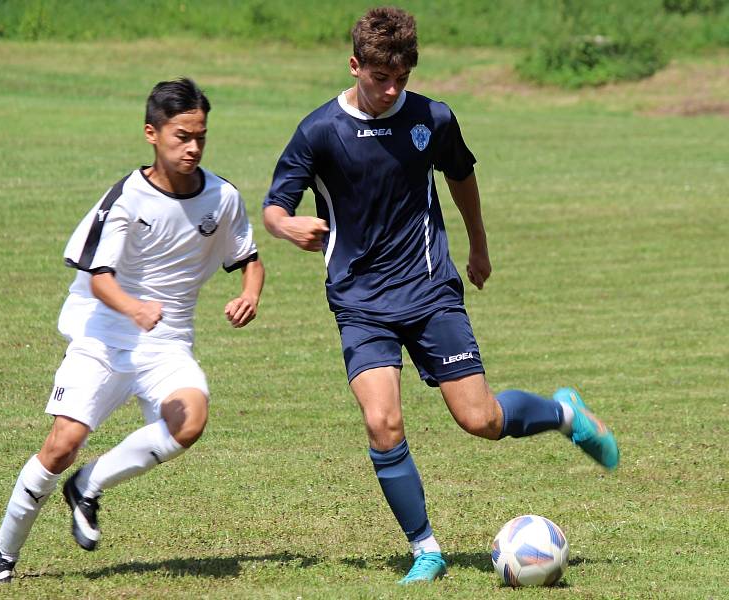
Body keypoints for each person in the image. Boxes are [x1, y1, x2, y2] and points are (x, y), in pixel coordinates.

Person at [262, 6, 618, 584]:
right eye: (381, 78)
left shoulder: (433, 118)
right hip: (358, 299)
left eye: (402, 76)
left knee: (479, 420)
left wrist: (478, 246)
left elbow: (461, 177)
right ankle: (426, 548)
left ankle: (562, 413)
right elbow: (276, 204)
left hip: (429, 291)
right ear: (356, 66)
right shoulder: (320, 130)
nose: (392, 89)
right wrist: (286, 226)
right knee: (383, 423)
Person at [0, 77, 264, 583]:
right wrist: (134, 309)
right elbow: (98, 277)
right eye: (181, 136)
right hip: (105, 336)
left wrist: (249, 293)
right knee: (62, 444)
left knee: (190, 420)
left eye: (200, 136)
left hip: (167, 342)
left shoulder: (222, 197)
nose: (192, 147)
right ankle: (2, 551)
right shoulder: (127, 199)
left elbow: (249, 258)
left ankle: (88, 485)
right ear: (152, 133)